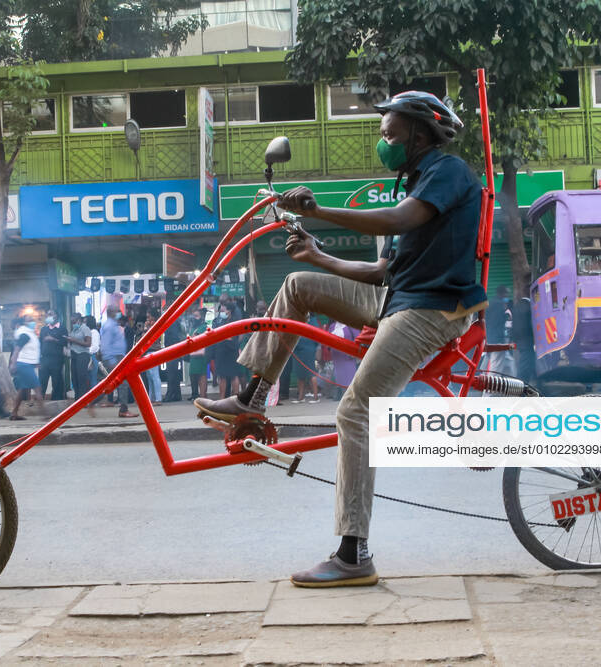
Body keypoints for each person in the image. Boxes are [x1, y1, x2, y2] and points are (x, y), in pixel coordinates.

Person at [195, 90, 485, 587]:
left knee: (355, 412)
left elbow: (397, 220)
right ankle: (252, 399)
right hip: (398, 298)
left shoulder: (448, 172)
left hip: (432, 310)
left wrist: (321, 211)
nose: (384, 143)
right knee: (298, 284)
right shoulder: (416, 183)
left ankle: (353, 554)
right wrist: (317, 256)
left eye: (391, 134)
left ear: (420, 133)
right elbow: (379, 271)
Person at [99, 306, 136, 418]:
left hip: (118, 357)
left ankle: (92, 402)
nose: (120, 314)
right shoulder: (110, 326)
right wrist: (111, 361)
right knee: (122, 384)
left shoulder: (114, 325)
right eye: (117, 312)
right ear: (111, 313)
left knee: (113, 383)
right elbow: (105, 345)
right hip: (114, 358)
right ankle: (123, 410)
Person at [9, 315, 44, 420]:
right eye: (30, 320)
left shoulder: (29, 333)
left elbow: (30, 350)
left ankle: (14, 413)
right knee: (37, 389)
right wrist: (13, 363)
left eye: (33, 320)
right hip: (24, 365)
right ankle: (45, 415)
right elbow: (17, 349)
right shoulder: (25, 334)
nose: (32, 322)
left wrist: (36, 362)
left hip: (25, 364)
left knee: (22, 390)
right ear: (24, 323)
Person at [482, 285, 515, 379]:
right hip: (496, 339)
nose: (507, 295)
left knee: (507, 361)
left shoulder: (490, 303)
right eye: (506, 293)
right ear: (502, 293)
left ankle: (515, 382)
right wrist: (505, 316)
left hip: (489, 337)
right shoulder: (499, 304)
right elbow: (496, 321)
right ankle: (489, 388)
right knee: (496, 365)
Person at [39, 309, 68, 401]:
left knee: (57, 381)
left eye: (51, 314)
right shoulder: (44, 329)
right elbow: (40, 343)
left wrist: (53, 339)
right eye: (47, 314)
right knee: (42, 381)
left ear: (56, 316)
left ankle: (56, 401)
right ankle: (40, 402)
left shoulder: (62, 329)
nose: (49, 316)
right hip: (44, 359)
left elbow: (65, 342)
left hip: (57, 359)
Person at [65, 312, 92, 400]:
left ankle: (83, 399)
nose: (73, 323)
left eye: (74, 321)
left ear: (79, 320)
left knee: (81, 377)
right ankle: (77, 398)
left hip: (83, 355)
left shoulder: (85, 329)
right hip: (74, 355)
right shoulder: (74, 330)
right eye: (72, 322)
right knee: (74, 377)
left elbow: (88, 343)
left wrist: (74, 340)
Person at [186, 307, 209, 401]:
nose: (194, 318)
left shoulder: (203, 327)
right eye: (193, 316)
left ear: (202, 317)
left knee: (202, 375)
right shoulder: (193, 327)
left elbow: (195, 338)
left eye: (196, 316)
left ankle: (203, 396)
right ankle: (195, 394)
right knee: (193, 375)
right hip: (193, 355)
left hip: (200, 355)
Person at [162, 311, 185, 403]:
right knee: (175, 373)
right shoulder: (176, 321)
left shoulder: (172, 322)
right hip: (176, 350)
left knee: (171, 373)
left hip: (172, 350)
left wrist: (169, 349)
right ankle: (177, 394)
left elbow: (173, 337)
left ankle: (170, 394)